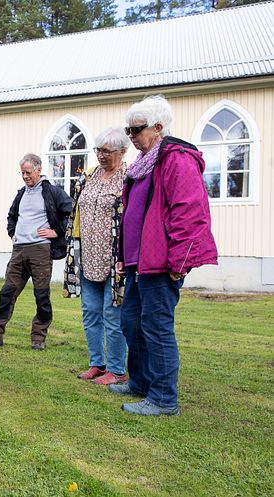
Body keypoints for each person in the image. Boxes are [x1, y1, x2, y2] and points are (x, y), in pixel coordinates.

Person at [111, 95, 218, 416]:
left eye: (136, 130)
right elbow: (132, 212)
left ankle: (163, 398)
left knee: (156, 327)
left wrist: (180, 262)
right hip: (137, 262)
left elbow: (190, 213)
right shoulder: (145, 162)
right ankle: (141, 382)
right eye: (127, 130)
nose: (130, 136)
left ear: (158, 128)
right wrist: (122, 254)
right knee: (131, 323)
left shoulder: (176, 158)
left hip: (162, 263)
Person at [0, 153, 72, 350]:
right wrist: (13, 234)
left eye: (28, 172)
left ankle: (38, 338)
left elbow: (70, 212)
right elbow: (11, 216)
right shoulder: (21, 194)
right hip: (19, 251)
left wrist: (57, 231)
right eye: (22, 173)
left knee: (41, 295)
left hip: (40, 251)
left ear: (39, 169)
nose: (25, 176)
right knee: (7, 293)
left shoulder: (52, 192)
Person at [64, 127, 130, 385]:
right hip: (87, 255)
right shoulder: (90, 176)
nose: (101, 156)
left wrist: (126, 254)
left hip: (115, 259)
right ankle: (97, 364)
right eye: (98, 150)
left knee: (112, 315)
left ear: (122, 152)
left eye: (107, 151)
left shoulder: (129, 178)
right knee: (90, 312)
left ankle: (117, 370)